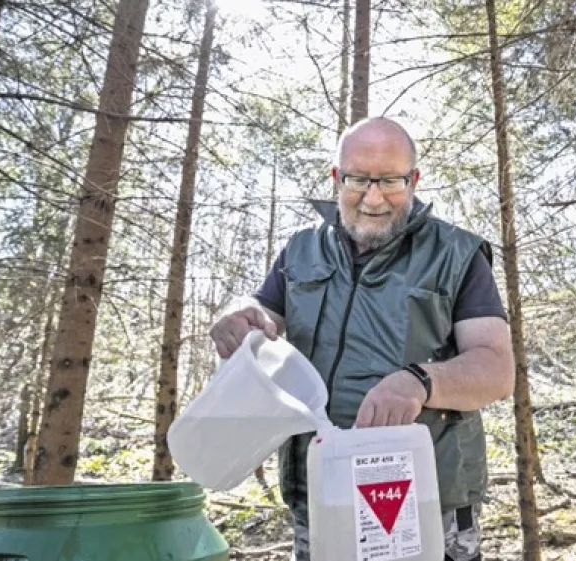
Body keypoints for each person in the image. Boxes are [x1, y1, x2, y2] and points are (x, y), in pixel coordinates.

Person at [209, 116, 515, 561]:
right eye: (357, 179)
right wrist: (233, 315)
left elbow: (496, 368)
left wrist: (419, 381)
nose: (374, 198)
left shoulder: (457, 254)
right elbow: (257, 316)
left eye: (390, 180)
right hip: (321, 488)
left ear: (414, 180)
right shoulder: (300, 250)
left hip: (424, 497)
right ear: (336, 178)